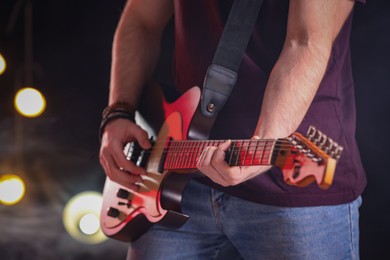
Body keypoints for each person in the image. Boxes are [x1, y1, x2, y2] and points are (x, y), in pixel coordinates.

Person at [99, 0, 367, 259]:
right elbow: (141, 21)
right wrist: (118, 112)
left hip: (292, 191)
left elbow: (305, 43)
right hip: (174, 182)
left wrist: (267, 141)